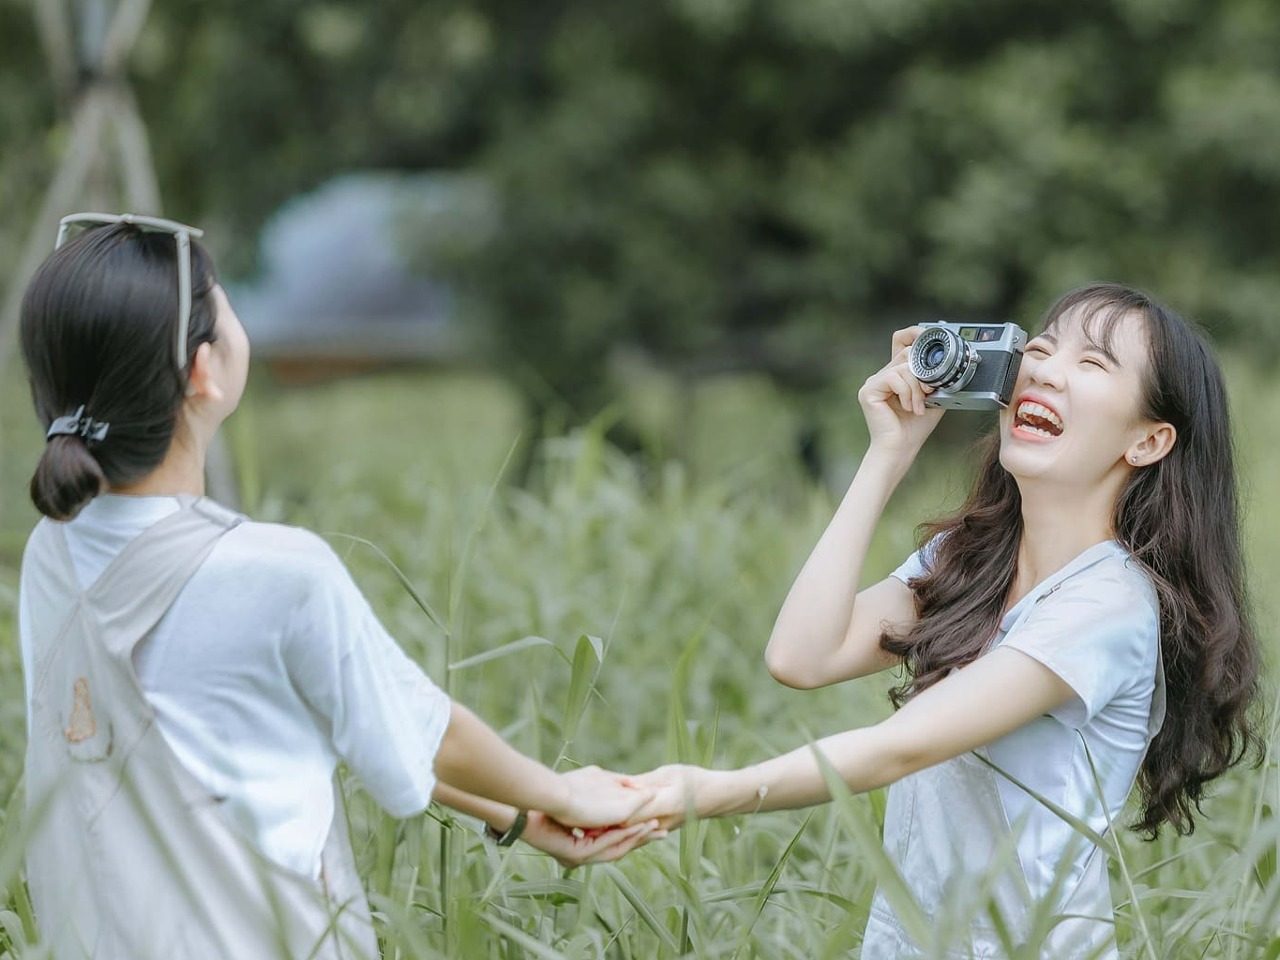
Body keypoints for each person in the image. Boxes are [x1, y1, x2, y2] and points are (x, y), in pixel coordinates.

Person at [15, 213, 660, 960]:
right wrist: (564, 794)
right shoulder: (273, 571)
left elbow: (343, 718)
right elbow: (433, 733)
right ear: (204, 372)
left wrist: (516, 815)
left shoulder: (50, 556)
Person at [627, 283, 1266, 958]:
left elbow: (898, 746)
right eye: (1042, 348)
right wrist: (888, 454)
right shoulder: (972, 559)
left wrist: (699, 793)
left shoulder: (1108, 606)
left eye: (1092, 363)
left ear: (1149, 440)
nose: (1044, 369)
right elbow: (802, 656)